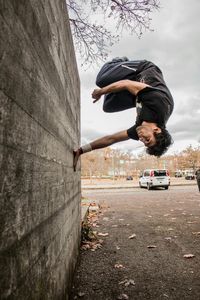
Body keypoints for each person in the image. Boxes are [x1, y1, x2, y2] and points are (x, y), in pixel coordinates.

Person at [73, 57, 174, 171]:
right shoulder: (159, 104)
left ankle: (121, 84)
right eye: (147, 139)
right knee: (101, 81)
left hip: (137, 93)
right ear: (157, 130)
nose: (141, 139)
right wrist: (100, 92)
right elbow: (126, 83)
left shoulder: (140, 129)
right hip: (142, 70)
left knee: (108, 106)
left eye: (144, 142)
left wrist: (81, 150)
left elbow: (111, 139)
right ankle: (119, 61)